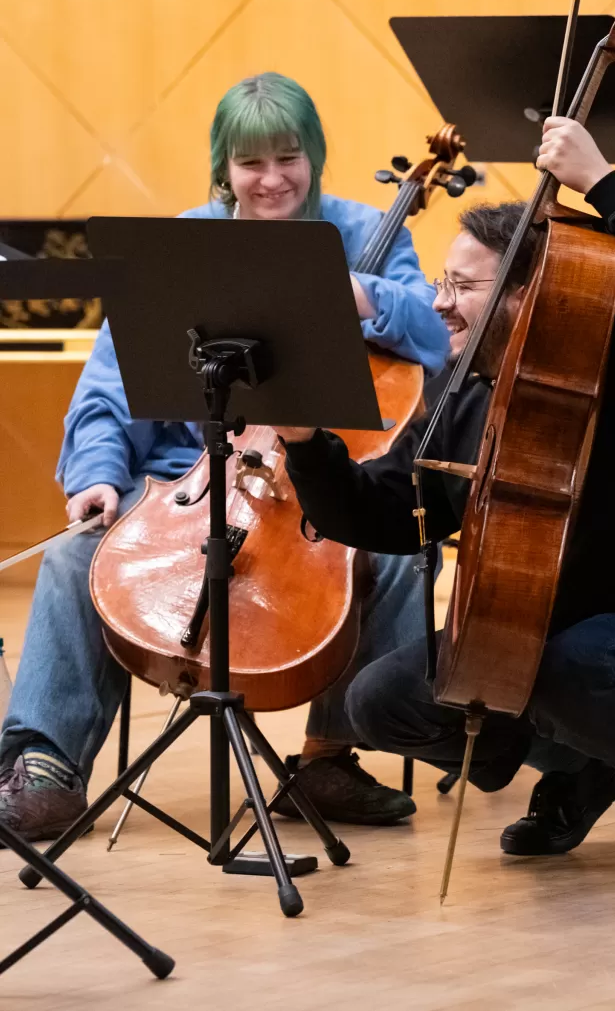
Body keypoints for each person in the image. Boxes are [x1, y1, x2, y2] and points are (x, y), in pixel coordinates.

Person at [278, 117, 615, 881]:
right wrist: (307, 445)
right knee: (379, 699)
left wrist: (602, 183)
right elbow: (384, 511)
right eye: (440, 281)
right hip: (522, 638)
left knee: (571, 669)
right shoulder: (458, 394)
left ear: (527, 291)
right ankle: (587, 763)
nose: (437, 304)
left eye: (462, 286)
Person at [0, 73, 449, 842]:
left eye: (289, 158)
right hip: (190, 466)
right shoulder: (182, 243)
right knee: (83, 552)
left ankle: (332, 756)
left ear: (314, 156)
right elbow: (109, 386)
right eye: (251, 163)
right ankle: (46, 765)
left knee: (398, 551)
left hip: (323, 475)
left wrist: (366, 295)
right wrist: (98, 477)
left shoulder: (368, 228)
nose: (272, 179)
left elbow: (440, 341)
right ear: (223, 167)